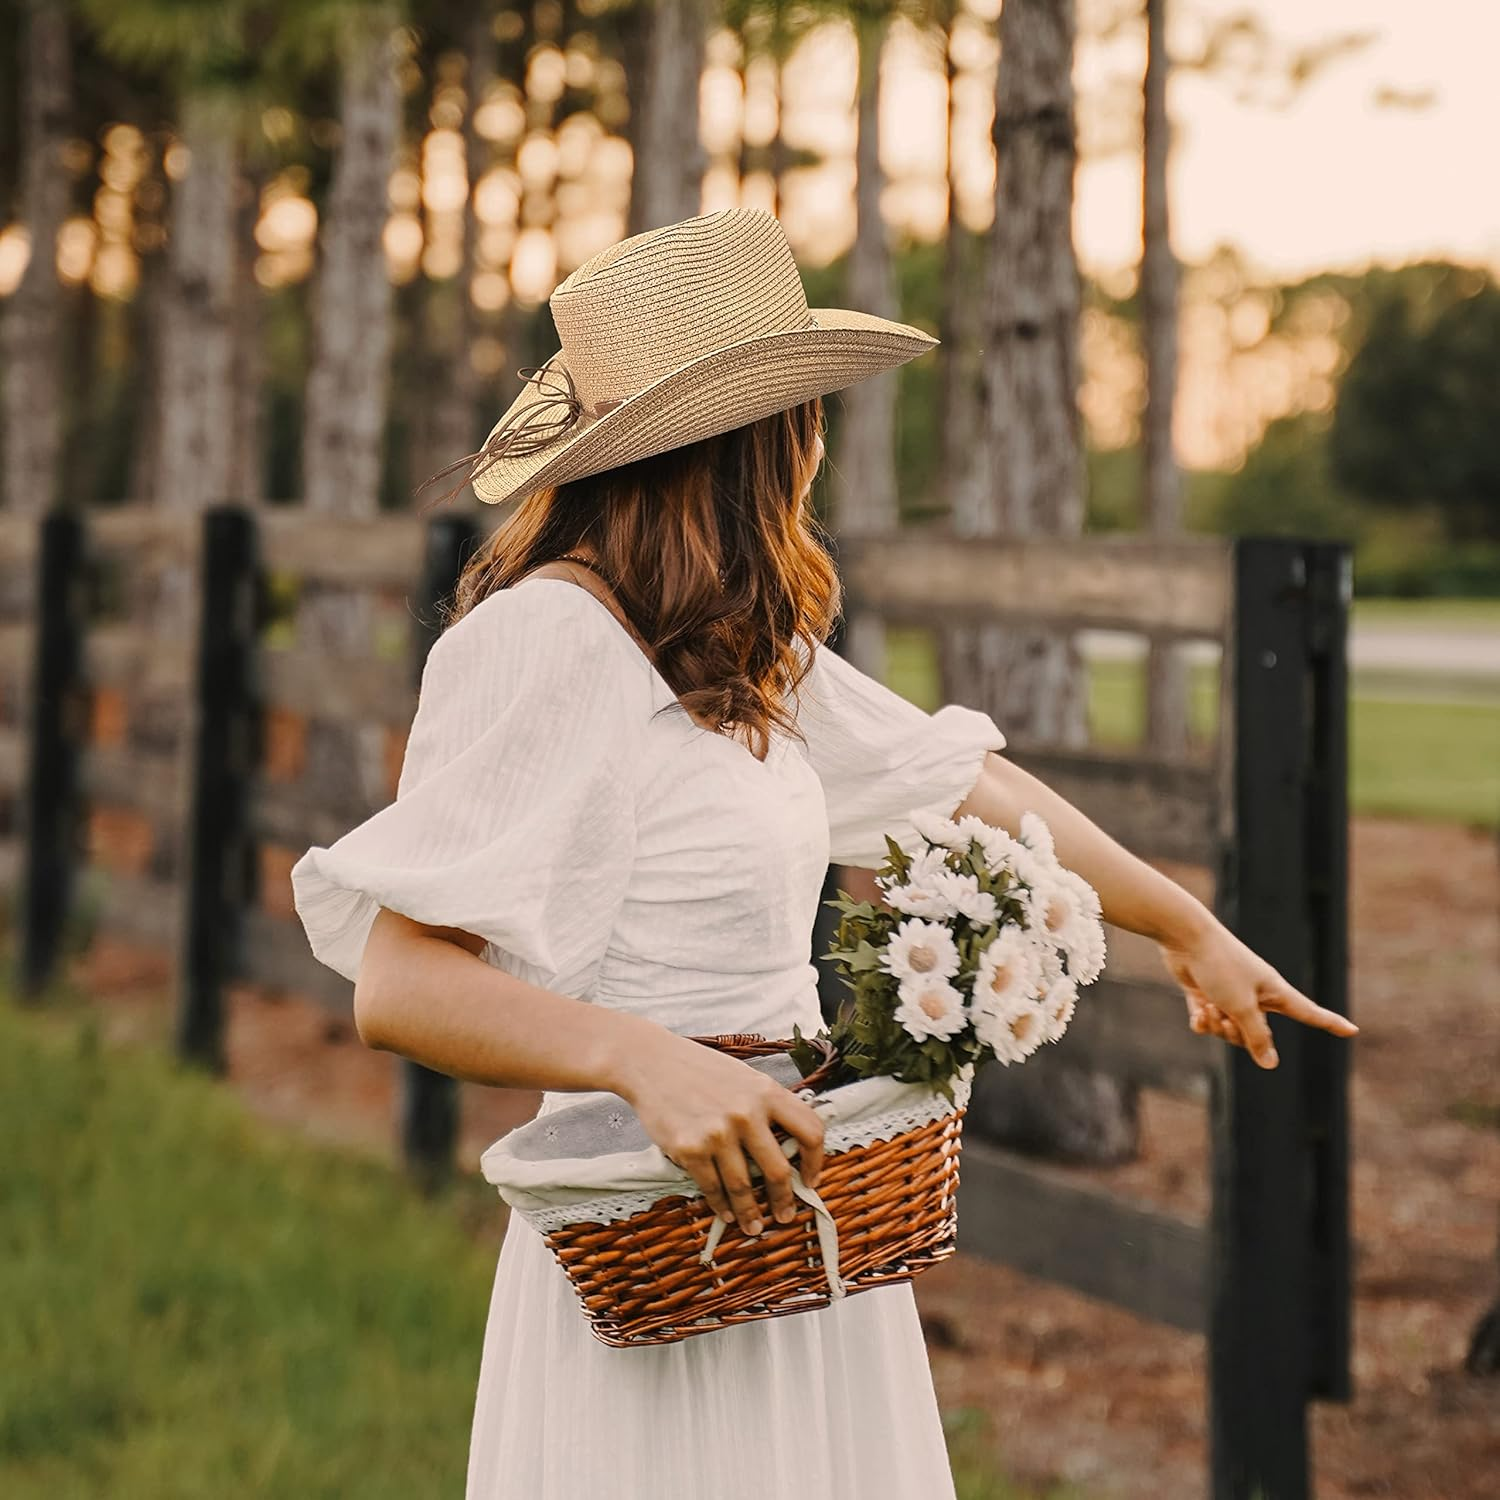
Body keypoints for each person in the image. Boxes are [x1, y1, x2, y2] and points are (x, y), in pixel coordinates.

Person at [289, 208, 1357, 1500]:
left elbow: (955, 783)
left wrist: (1183, 925)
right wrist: (642, 1062)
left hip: (799, 1237)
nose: (817, 443)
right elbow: (399, 984)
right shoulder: (545, 643)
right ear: (756, 440)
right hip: (653, 1248)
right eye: (804, 411)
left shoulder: (736, 646)